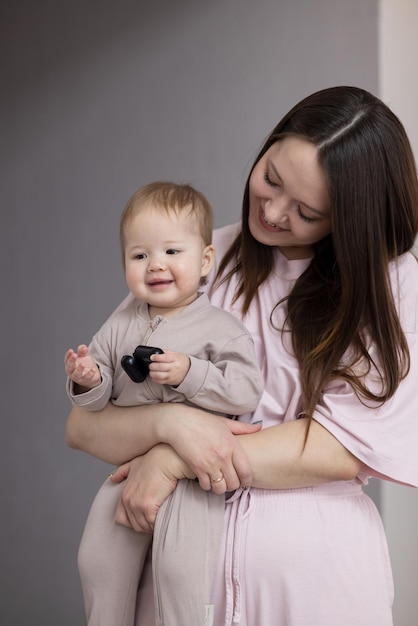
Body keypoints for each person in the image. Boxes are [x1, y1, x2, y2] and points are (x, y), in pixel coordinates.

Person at [66, 86, 418, 626]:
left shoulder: (392, 285)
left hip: (314, 589)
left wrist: (175, 456)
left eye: (306, 211)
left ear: (350, 221)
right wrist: (172, 423)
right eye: (271, 178)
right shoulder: (196, 260)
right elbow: (86, 425)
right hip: (176, 584)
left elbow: (344, 444)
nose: (273, 212)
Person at [64, 181, 263, 626]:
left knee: (183, 574)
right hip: (129, 467)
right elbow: (95, 403)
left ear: (205, 260)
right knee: (97, 560)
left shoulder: (221, 329)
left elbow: (246, 390)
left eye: (173, 252)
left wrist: (191, 372)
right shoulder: (120, 323)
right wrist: (88, 379)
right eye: (140, 256)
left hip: (193, 478)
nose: (156, 265)